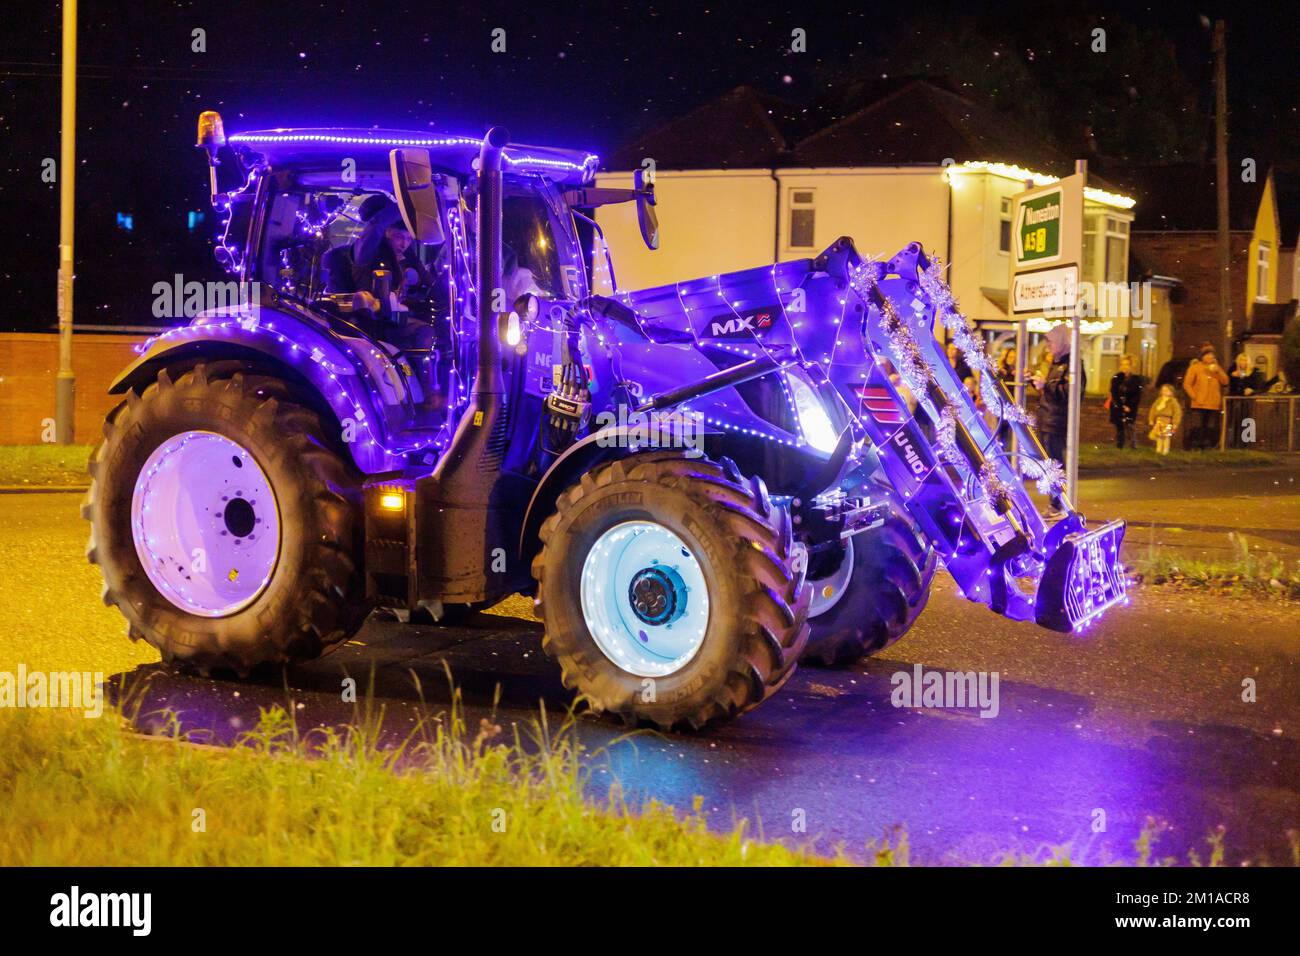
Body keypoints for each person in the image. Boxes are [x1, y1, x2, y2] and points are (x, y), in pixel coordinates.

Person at [1033, 324, 1085, 516]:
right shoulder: (1057, 362)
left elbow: (1071, 393)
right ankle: (1056, 502)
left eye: (1051, 342)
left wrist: (1047, 385)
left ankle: (1058, 503)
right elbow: (1053, 390)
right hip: (1048, 420)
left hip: (1057, 422)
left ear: (1062, 341)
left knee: (1055, 464)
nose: (1048, 346)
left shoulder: (1072, 364)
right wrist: (1038, 383)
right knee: (1050, 464)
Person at [1182, 345, 1229, 450]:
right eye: (1207, 355)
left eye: (1211, 355)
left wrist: (1218, 371)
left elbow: (1225, 381)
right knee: (1199, 425)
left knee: (1210, 426)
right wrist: (1194, 396)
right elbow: (1187, 384)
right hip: (1200, 402)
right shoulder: (1195, 367)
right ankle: (1196, 445)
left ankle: (1207, 445)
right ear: (1202, 356)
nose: (1210, 357)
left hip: (1213, 403)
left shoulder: (1217, 368)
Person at [1108, 354, 1144, 449]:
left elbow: (1137, 395)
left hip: (1130, 407)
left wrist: (1130, 406)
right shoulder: (1116, 378)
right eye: (1123, 364)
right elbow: (1114, 393)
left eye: (1127, 364)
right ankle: (1120, 445)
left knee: (1130, 424)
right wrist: (1121, 406)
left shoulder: (1136, 380)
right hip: (1118, 406)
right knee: (1119, 425)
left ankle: (1132, 443)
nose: (1125, 367)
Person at [1147, 383, 1182, 455]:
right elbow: (1153, 410)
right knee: (1159, 435)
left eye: (1167, 390)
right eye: (1163, 390)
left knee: (1166, 436)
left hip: (1167, 420)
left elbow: (1177, 412)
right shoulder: (1158, 400)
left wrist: (1175, 423)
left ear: (1171, 392)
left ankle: (1166, 450)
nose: (1165, 392)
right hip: (1159, 420)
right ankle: (1159, 449)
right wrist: (1151, 419)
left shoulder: (1173, 401)